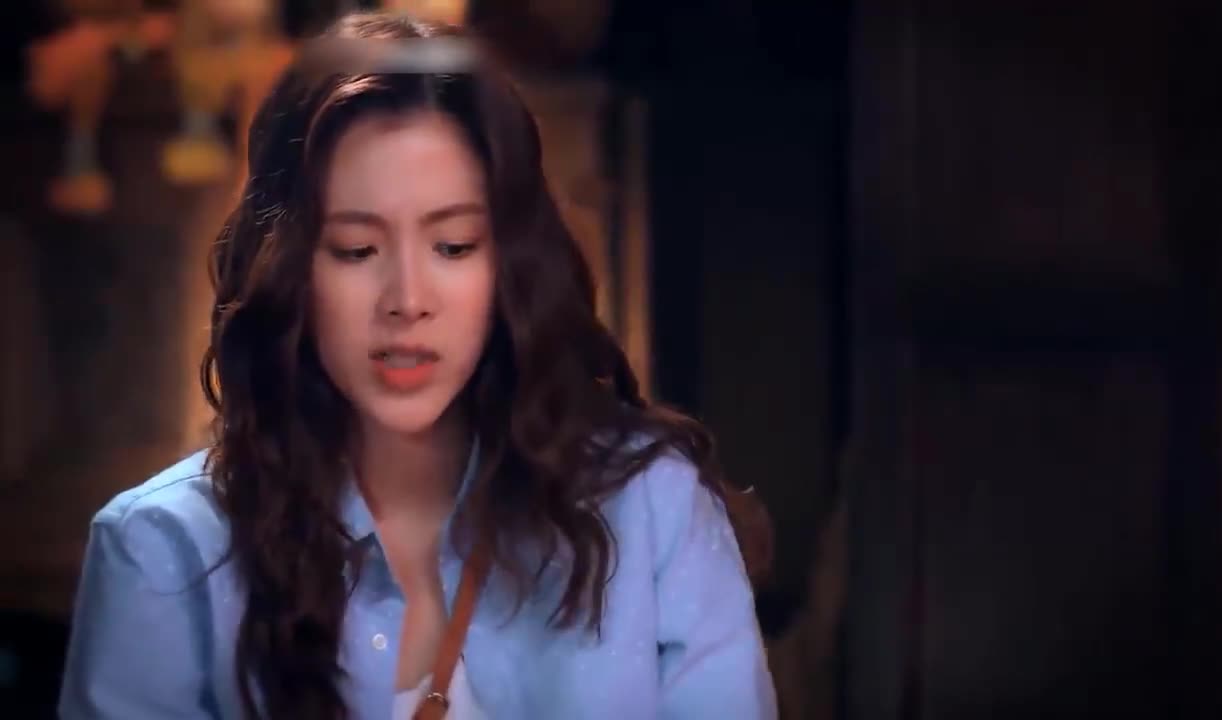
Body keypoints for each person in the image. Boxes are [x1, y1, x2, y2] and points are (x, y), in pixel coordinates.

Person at [57, 11, 776, 720]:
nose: (407, 300)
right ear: (288, 269)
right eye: (356, 250)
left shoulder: (648, 506)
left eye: (453, 246)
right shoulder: (164, 551)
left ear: (511, 264)